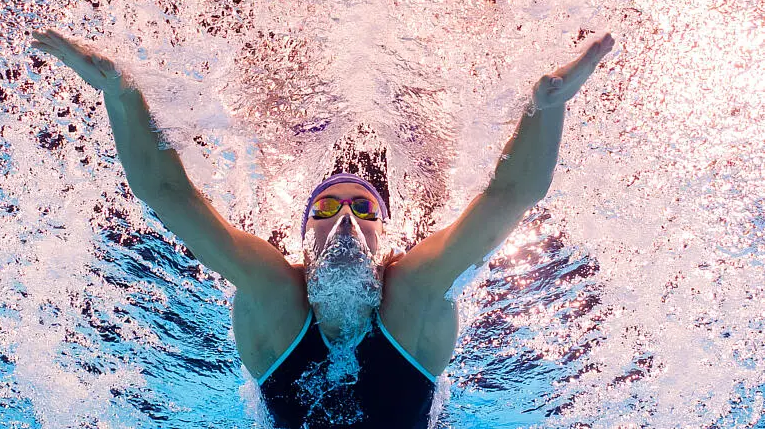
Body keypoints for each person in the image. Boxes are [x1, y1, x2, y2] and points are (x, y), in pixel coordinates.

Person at [30, 29, 616, 428]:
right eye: (329, 205)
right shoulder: (274, 294)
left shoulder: (409, 296)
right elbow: (170, 195)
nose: (343, 219)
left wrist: (546, 105)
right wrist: (120, 89)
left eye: (363, 209)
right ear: (302, 232)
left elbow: (508, 197)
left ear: (384, 235)